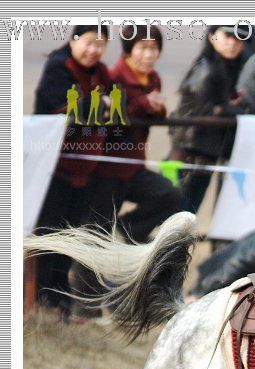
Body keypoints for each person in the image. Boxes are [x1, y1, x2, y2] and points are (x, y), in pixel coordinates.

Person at [71, 25, 181, 318]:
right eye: (142, 48)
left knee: (169, 196)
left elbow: (155, 112)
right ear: (129, 50)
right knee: (95, 232)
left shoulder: (152, 77)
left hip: (133, 165)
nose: (148, 54)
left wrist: (154, 108)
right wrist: (146, 104)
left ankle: (126, 231)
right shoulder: (115, 76)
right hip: (107, 166)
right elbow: (119, 110)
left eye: (154, 48)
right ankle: (87, 306)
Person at [33, 24, 111, 316]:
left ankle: (60, 293)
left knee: (72, 232)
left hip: (85, 168)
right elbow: (57, 108)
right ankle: (43, 294)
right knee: (50, 231)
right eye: (89, 42)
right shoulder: (58, 67)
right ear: (74, 39)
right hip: (53, 166)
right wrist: (96, 103)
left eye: (100, 44)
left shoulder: (101, 72)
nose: (94, 50)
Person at [169, 25, 247, 214]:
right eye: (228, 35)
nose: (233, 43)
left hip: (204, 151)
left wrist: (226, 107)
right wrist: (232, 107)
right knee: (181, 212)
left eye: (239, 38)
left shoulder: (225, 68)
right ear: (212, 36)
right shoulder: (207, 68)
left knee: (187, 211)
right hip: (190, 150)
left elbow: (218, 108)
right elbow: (207, 110)